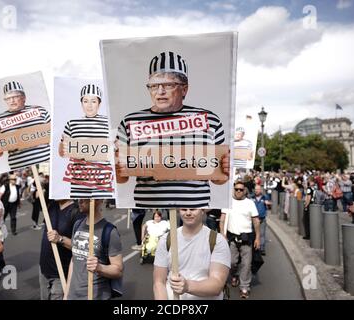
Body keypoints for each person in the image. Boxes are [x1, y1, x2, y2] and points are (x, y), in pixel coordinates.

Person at [115, 51, 229, 208]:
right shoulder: (130, 122)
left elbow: (219, 178)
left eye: (168, 85)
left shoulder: (210, 120)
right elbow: (121, 178)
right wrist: (115, 166)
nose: (160, 92)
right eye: (154, 86)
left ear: (184, 89)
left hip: (194, 211)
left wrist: (225, 169)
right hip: (150, 212)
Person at [153, 208, 230, 300]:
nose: (188, 213)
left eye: (193, 209)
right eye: (184, 209)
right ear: (178, 211)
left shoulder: (217, 241)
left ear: (203, 210)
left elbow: (217, 284)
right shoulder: (166, 239)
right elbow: (159, 282)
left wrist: (188, 286)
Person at [58, 84, 114, 199]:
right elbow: (62, 153)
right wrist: (63, 145)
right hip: (79, 180)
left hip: (102, 180)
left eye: (93, 101)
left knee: (98, 212)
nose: (89, 105)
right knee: (82, 213)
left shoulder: (109, 123)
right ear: (81, 103)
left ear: (99, 103)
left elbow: (116, 150)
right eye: (85, 101)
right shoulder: (72, 124)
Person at [65, 199, 123, 300]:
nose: (80, 201)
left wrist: (99, 268)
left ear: (98, 200)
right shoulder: (77, 225)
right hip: (73, 295)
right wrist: (66, 294)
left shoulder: (110, 231)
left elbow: (118, 270)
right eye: (79, 197)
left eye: (85, 197)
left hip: (97, 296)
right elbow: (74, 261)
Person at [0, 81, 50, 170]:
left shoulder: (40, 110)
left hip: (46, 165)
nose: (12, 100)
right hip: (19, 169)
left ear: (24, 97)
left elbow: (55, 137)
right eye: (8, 98)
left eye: (16, 96)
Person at [221, 180, 260, 299]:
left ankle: (244, 287)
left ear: (245, 191)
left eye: (241, 189)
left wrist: (258, 237)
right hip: (232, 238)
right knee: (232, 262)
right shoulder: (228, 202)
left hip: (246, 238)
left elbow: (256, 221)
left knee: (246, 264)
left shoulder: (250, 203)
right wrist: (222, 234)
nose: (238, 191)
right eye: (236, 189)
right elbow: (222, 219)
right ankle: (234, 275)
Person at [39, 199, 84, 300]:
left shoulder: (77, 212)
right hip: (44, 269)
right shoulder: (52, 206)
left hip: (61, 273)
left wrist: (60, 239)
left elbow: (82, 247)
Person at [252, 185, 271, 255]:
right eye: (255, 189)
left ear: (261, 190)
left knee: (262, 234)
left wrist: (268, 204)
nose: (256, 190)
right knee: (254, 233)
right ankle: (254, 247)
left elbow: (270, 205)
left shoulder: (265, 197)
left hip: (262, 219)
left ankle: (262, 249)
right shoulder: (251, 197)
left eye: (258, 189)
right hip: (254, 219)